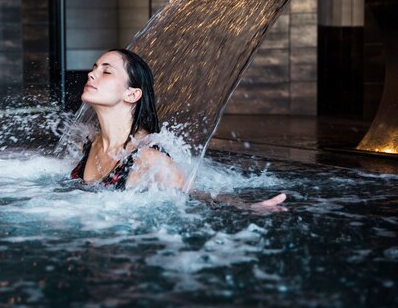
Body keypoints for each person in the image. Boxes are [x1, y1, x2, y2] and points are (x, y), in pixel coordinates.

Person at [69, 48, 287, 211]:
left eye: (106, 72)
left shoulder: (147, 158)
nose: (91, 74)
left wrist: (247, 207)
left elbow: (191, 195)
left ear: (132, 94)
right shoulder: (88, 142)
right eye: (94, 68)